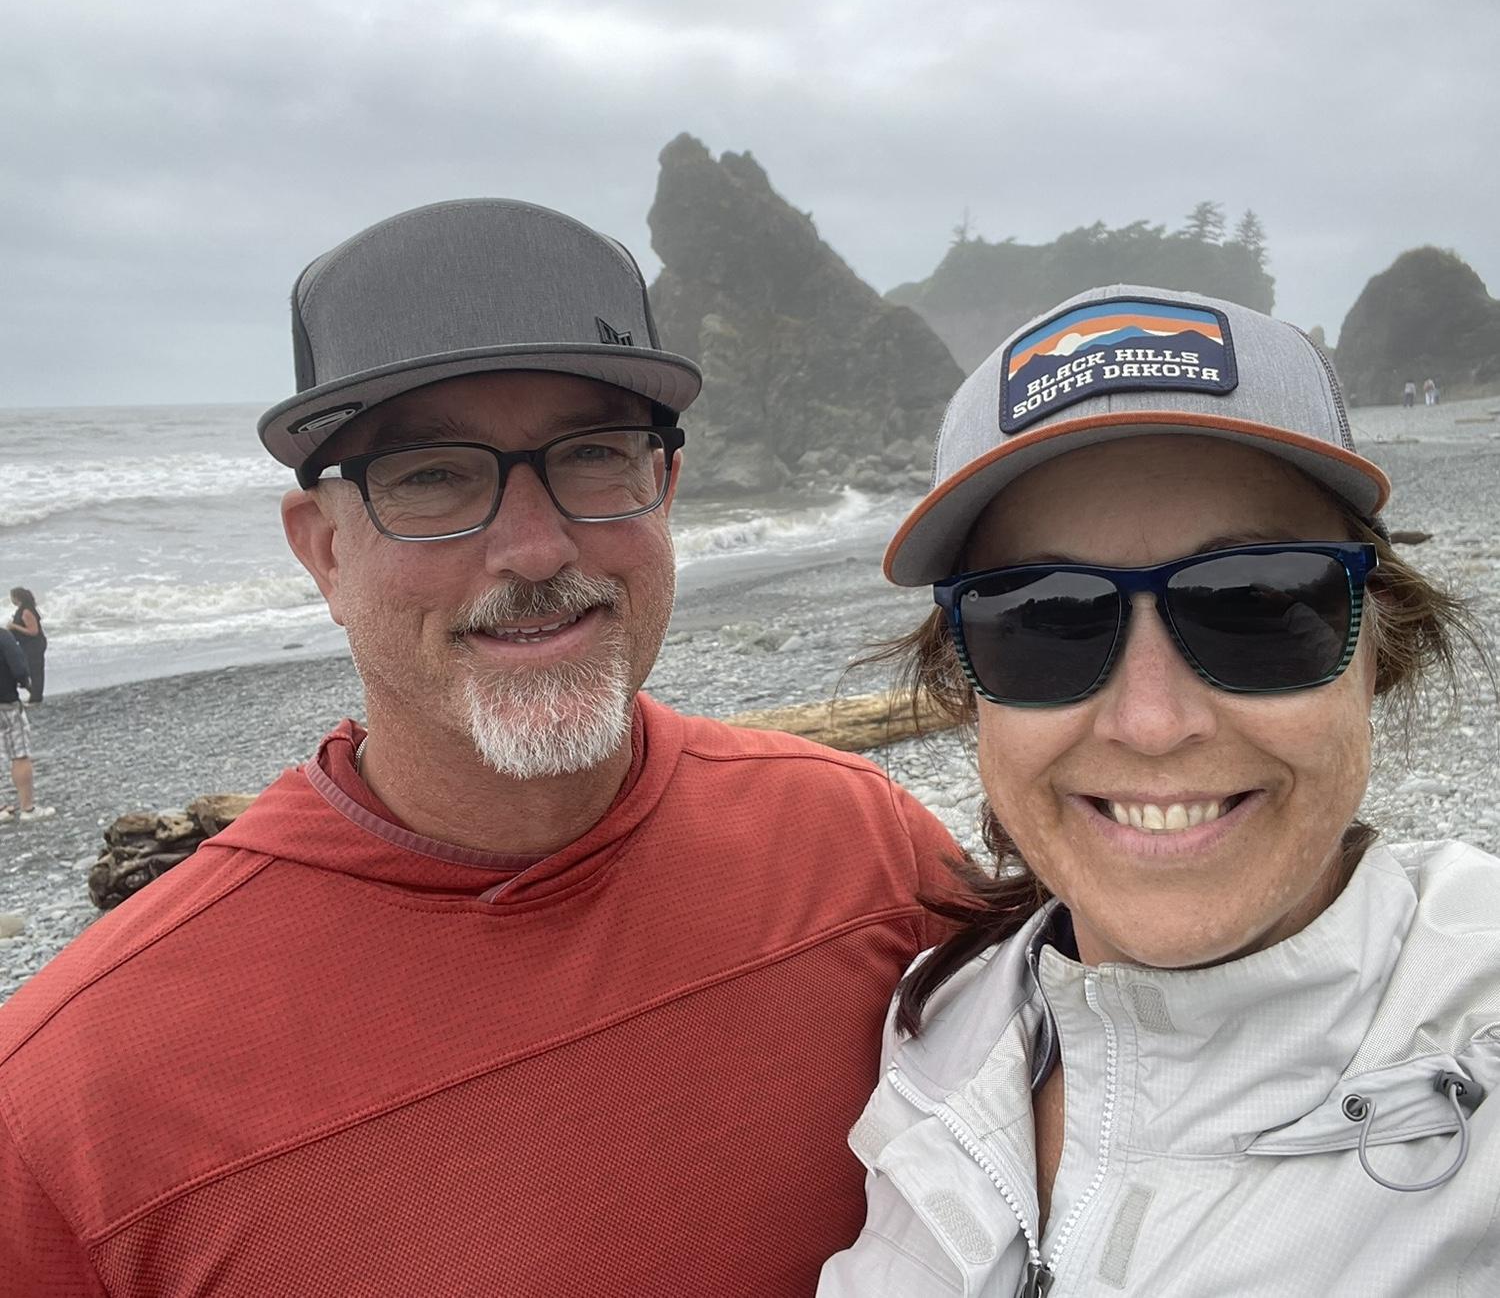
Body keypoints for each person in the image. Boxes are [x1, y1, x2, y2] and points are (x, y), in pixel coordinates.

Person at [0, 198, 962, 1297]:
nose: (535, 545)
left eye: (595, 455)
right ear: (321, 552)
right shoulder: (66, 1101)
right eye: (430, 477)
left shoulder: (868, 855)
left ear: (666, 492)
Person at [820, 286, 1500, 1296]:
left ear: (1377, 647)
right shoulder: (936, 1031)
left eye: (1255, 604)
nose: (1151, 721)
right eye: (1044, 619)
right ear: (969, 692)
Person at [0, 627, 49, 822]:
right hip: (5, 701)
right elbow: (19, 667)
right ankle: (27, 808)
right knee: (19, 755)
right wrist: (25, 683)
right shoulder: (2, 636)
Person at [8, 587, 46, 706]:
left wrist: (14, 627)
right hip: (25, 644)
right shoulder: (22, 610)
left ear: (17, 598)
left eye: (12, 597)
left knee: (35, 671)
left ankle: (36, 698)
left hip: (34, 644)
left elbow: (33, 631)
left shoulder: (27, 611)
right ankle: (34, 694)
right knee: (27, 670)